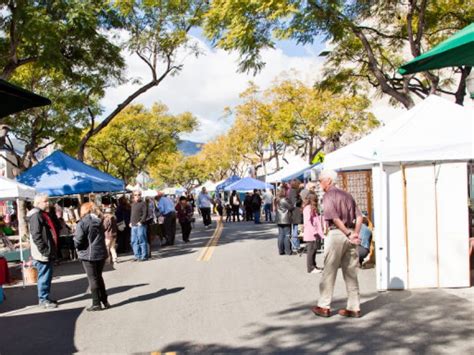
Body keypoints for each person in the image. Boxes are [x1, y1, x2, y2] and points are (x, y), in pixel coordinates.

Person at [312, 169, 363, 319]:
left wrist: (347, 233)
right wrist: (354, 233)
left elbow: (334, 218)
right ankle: (354, 307)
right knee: (351, 273)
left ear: (328, 180)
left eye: (321, 180)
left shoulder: (329, 195)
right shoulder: (347, 195)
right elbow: (359, 217)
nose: (320, 183)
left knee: (329, 271)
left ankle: (324, 305)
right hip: (350, 234)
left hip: (337, 234)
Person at [74, 202, 110, 311]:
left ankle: (96, 304)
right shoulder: (99, 220)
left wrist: (76, 244)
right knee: (98, 277)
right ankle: (104, 301)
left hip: (88, 254)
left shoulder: (83, 222)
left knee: (92, 278)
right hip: (101, 252)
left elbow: (78, 240)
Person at [27, 194, 58, 309]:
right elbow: (36, 235)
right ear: (38, 203)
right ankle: (43, 299)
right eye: (45, 201)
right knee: (44, 276)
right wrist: (44, 250)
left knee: (46, 276)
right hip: (42, 253)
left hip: (46, 251)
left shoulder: (41, 214)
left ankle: (45, 298)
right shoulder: (36, 215)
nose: (48, 203)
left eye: (48, 201)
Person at [303, 193, 324, 273]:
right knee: (311, 251)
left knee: (314, 250)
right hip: (311, 232)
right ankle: (310, 268)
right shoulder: (307, 208)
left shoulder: (311, 208)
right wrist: (314, 231)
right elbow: (308, 221)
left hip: (314, 232)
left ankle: (314, 265)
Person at [130, 190, 148, 261]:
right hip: (133, 225)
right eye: (135, 195)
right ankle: (137, 256)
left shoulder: (143, 203)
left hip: (140, 225)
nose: (137, 196)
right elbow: (132, 214)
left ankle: (144, 256)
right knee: (134, 241)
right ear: (133, 196)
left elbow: (145, 214)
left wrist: (141, 221)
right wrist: (130, 222)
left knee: (142, 240)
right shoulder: (133, 204)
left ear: (141, 195)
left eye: (138, 195)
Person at [274, 189, 293, 256]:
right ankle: (287, 250)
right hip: (285, 219)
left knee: (281, 235)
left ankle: (281, 250)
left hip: (279, 219)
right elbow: (290, 207)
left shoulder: (277, 200)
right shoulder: (284, 200)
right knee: (287, 235)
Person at [288, 179, 303, 252]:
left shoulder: (291, 191)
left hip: (293, 213)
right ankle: (295, 245)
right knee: (295, 229)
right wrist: (300, 199)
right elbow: (295, 203)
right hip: (295, 212)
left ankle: (295, 245)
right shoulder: (293, 191)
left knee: (295, 229)